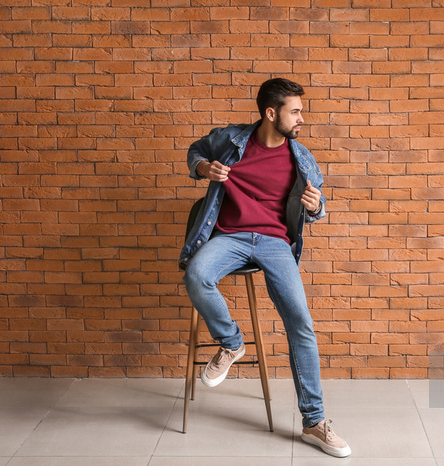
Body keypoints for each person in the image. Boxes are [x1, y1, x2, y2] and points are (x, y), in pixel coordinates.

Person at [179, 78, 351, 458]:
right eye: (296, 111)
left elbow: (318, 209)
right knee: (196, 274)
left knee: (300, 323)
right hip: (230, 236)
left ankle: (314, 421)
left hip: (274, 242)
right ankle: (232, 342)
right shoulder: (230, 140)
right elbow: (195, 152)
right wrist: (205, 167)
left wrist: (314, 207)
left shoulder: (301, 157)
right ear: (271, 113)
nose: (302, 118)